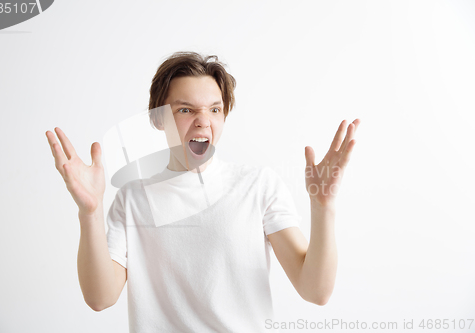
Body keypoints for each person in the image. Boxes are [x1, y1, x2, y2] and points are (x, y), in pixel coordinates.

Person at [45, 51, 360, 332]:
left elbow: (315, 291)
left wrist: (323, 207)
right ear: (158, 118)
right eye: (185, 110)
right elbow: (100, 298)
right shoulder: (133, 199)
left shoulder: (258, 186)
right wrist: (90, 212)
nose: (203, 122)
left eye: (214, 109)